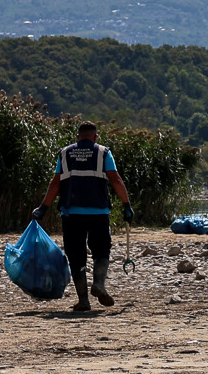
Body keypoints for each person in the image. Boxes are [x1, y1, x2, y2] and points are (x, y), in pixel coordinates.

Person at [34, 122, 134, 313]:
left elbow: (55, 183)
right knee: (102, 249)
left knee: (76, 255)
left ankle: (83, 301)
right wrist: (127, 205)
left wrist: (43, 208)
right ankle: (99, 284)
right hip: (98, 212)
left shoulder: (65, 153)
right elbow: (115, 179)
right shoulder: (103, 152)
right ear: (95, 137)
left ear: (78, 137)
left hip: (71, 214)